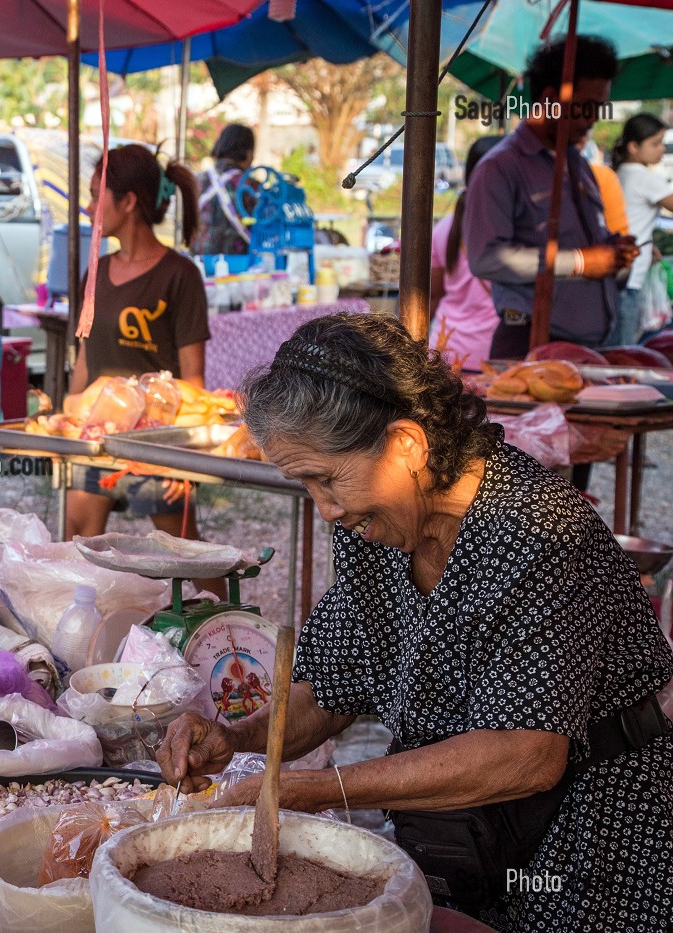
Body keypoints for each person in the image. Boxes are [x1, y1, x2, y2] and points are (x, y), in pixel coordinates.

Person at [159, 313, 673, 931]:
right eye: (306, 487)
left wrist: (313, 791)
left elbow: (528, 753)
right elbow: (332, 685)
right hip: (477, 832)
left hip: (596, 834)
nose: (325, 510)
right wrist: (236, 737)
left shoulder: (539, 531)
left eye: (326, 479)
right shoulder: (376, 523)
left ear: (407, 444)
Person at [465, 36, 639, 358]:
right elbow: (485, 258)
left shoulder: (578, 164)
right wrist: (582, 262)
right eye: (586, 107)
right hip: (530, 343)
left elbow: (588, 241)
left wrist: (613, 251)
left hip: (587, 347)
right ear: (549, 99)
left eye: (599, 108)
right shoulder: (501, 168)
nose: (593, 118)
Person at [67, 145, 207, 540]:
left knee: (181, 553)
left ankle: (225, 604)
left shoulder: (180, 275)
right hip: (96, 437)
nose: (89, 206)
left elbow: (194, 379)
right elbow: (84, 357)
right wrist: (67, 420)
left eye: (96, 195)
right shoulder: (95, 271)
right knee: (77, 542)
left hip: (157, 444)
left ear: (128, 201)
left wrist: (183, 457)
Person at [429, 136, 503, 370]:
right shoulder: (513, 232)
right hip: (492, 357)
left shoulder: (443, 228)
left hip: (444, 352)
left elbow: (432, 295)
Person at [612, 114, 673, 345]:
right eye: (655, 143)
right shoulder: (643, 177)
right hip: (630, 276)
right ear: (634, 147)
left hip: (620, 273)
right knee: (625, 350)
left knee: (617, 346)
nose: (661, 149)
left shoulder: (621, 172)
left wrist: (650, 246)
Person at [193, 124, 254, 257]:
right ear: (248, 153)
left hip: (199, 262)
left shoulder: (197, 181)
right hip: (238, 265)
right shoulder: (250, 185)